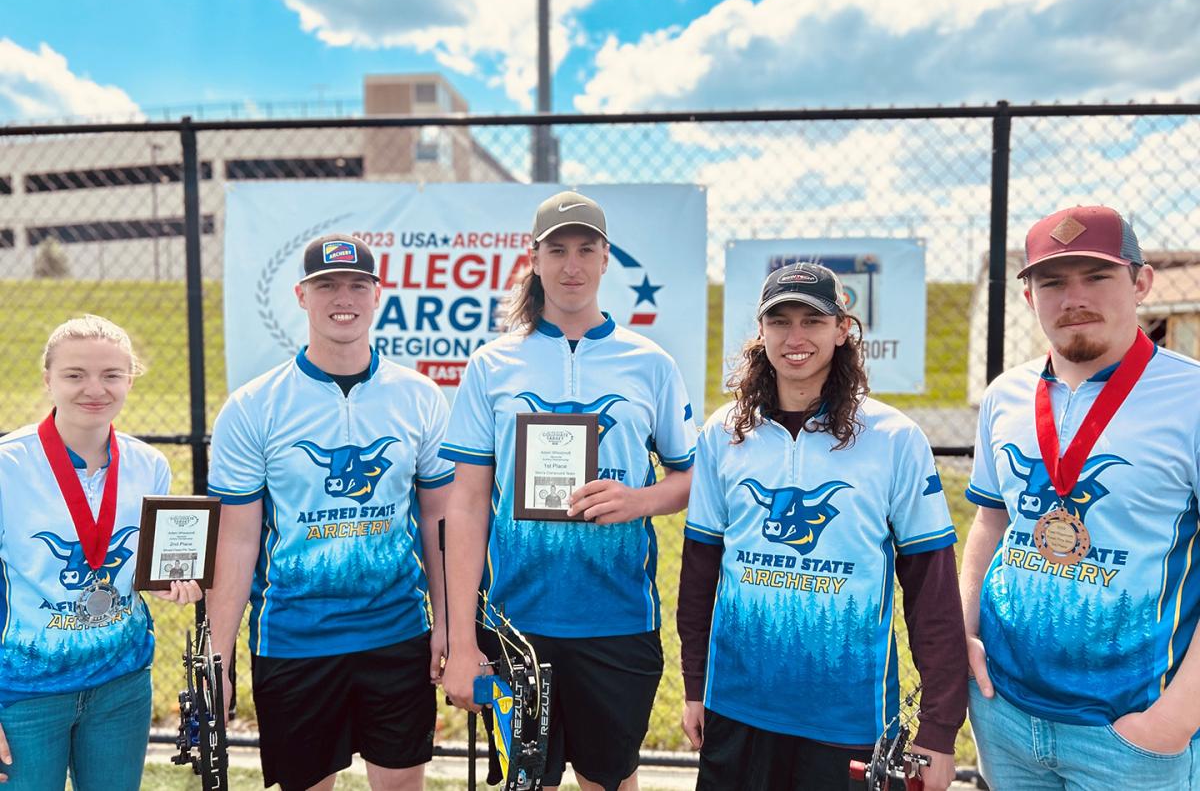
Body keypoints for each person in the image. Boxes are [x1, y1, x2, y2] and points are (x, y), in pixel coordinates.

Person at [441, 191, 697, 791]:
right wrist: (459, 641)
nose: (572, 264)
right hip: (516, 622)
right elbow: (469, 503)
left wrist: (638, 500)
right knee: (529, 783)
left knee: (609, 779)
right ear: (534, 259)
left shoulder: (650, 363)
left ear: (607, 259)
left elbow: (688, 480)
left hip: (617, 619)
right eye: (557, 249)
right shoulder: (492, 365)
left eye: (587, 249)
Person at [678, 263, 966, 791]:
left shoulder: (893, 439)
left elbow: (932, 593)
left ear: (841, 331)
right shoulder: (723, 434)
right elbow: (699, 572)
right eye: (779, 321)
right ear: (759, 333)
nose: (795, 337)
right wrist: (695, 686)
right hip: (737, 707)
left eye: (812, 320)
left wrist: (940, 730)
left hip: (848, 720)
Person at [961, 205, 1200, 789]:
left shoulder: (1190, 396)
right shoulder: (1005, 396)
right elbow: (990, 525)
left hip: (1133, 729)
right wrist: (961, 639)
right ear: (1029, 297)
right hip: (1005, 714)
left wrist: (1174, 720)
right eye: (1053, 282)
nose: (1074, 298)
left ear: (1140, 281)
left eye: (1097, 277)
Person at [206, 233, 454, 791]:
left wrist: (451, 627)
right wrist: (217, 661)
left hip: (397, 633)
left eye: (356, 285)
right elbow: (237, 540)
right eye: (326, 285)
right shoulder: (253, 406)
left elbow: (441, 522)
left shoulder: (419, 396)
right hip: (295, 639)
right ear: (301, 295)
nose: (342, 297)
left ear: (377, 294)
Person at [0, 315, 201, 789]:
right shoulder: (8, 465)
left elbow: (143, 567)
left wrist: (174, 582)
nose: (95, 388)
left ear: (130, 379)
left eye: (111, 375)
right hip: (24, 691)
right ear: (48, 379)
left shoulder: (149, 464)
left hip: (121, 683)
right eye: (75, 375)